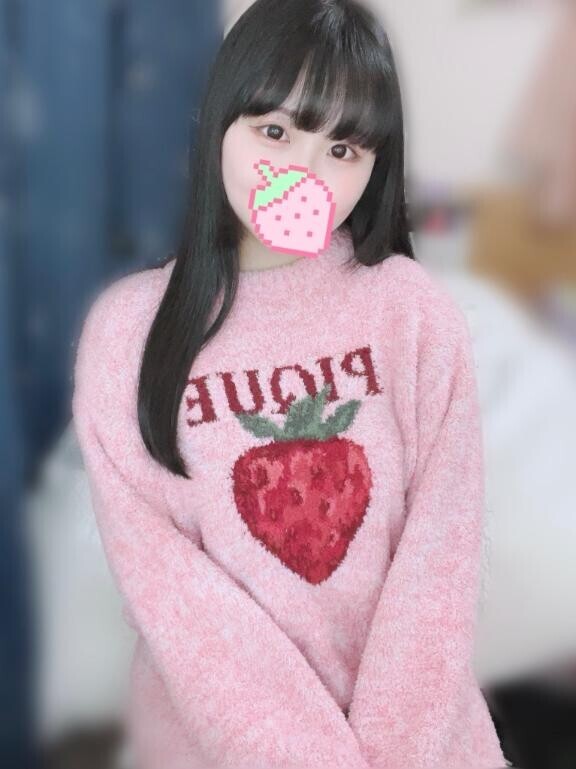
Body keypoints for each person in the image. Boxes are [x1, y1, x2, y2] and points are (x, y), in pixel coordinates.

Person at [71, 1, 512, 767]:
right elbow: (173, 595)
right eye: (274, 132)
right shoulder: (128, 333)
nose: (305, 173)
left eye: (342, 147)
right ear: (220, 125)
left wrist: (398, 753)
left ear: (377, 163)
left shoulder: (412, 312)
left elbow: (438, 568)